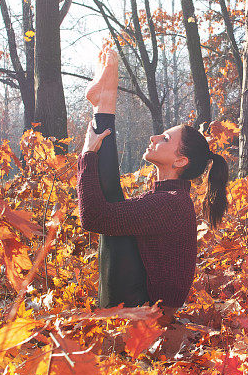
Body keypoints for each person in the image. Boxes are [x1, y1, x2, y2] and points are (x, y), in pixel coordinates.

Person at [77, 44, 229, 324]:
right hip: (145, 305)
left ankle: (105, 104)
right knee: (115, 211)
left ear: (180, 161)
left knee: (111, 212)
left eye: (166, 139)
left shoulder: (170, 203)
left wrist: (88, 155)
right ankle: (103, 104)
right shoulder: (169, 199)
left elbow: (93, 217)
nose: (155, 138)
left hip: (148, 316)